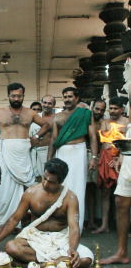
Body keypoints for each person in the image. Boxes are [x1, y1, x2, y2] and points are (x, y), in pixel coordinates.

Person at [0, 158, 93, 268]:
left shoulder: (70, 198)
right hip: (35, 238)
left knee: (87, 260)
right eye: (44, 178)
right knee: (11, 247)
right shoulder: (31, 193)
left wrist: (73, 249)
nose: (45, 183)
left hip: (60, 240)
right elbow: (14, 219)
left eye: (51, 182)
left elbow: (74, 227)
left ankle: (34, 265)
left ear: (61, 181)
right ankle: (57, 263)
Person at [0, 82, 50, 229]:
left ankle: (25, 223)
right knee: (4, 188)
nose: (16, 98)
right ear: (8, 96)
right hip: (6, 152)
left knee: (28, 186)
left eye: (19, 95)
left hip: (24, 152)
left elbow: (46, 125)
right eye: (13, 95)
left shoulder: (30, 113)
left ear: (23, 96)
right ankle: (4, 223)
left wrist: (36, 137)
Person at [48, 87, 98, 234]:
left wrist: (94, 158)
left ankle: (76, 228)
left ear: (77, 98)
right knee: (60, 187)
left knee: (77, 189)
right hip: (61, 152)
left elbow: (93, 136)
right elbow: (54, 139)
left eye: (70, 97)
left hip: (78, 152)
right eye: (65, 97)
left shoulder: (85, 114)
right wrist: (49, 160)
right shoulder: (58, 116)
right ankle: (60, 226)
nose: (67, 99)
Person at [100, 94, 131, 264]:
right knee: (120, 201)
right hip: (127, 159)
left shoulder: (125, 121)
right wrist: (121, 157)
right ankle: (122, 253)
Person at [92, 97, 128, 234]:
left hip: (122, 158)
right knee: (106, 192)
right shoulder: (105, 122)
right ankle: (104, 225)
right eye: (111, 108)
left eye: (115, 108)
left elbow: (126, 141)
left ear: (122, 109)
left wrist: (119, 157)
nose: (112, 111)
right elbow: (103, 138)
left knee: (123, 192)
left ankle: (124, 227)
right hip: (106, 158)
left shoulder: (127, 122)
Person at [85, 100, 106, 229]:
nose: (99, 112)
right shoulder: (86, 121)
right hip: (87, 156)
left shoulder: (105, 123)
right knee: (88, 188)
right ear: (92, 108)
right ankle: (88, 220)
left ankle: (98, 221)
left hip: (102, 157)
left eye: (102, 110)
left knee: (101, 188)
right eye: (97, 109)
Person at [29, 96, 56, 180]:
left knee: (47, 176)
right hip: (34, 151)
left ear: (54, 105)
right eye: (44, 102)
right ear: (41, 103)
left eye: (49, 103)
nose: (46, 105)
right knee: (35, 178)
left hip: (48, 151)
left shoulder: (56, 118)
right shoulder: (35, 117)